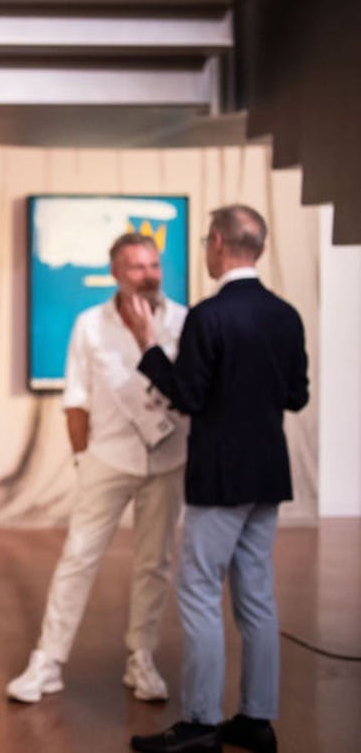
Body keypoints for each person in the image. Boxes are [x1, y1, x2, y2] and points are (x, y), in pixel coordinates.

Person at [126, 205, 308, 753]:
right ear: (260, 248)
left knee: (200, 591)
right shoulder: (286, 315)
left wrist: (149, 346)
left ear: (220, 245)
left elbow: (188, 395)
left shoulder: (209, 316)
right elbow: (296, 396)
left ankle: (201, 723)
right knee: (257, 595)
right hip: (268, 473)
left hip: (221, 478)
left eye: (207, 241)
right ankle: (257, 719)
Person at [7, 232, 188, 704]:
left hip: (168, 460)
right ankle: (48, 661)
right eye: (137, 267)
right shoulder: (90, 324)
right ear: (115, 273)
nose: (148, 275)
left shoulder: (184, 321)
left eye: (154, 265)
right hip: (107, 459)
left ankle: (141, 658)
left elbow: (190, 390)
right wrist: (82, 458)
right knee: (78, 557)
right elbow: (76, 397)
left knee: (155, 563)